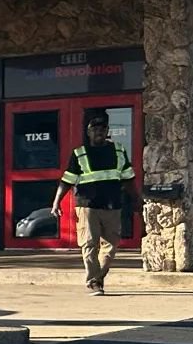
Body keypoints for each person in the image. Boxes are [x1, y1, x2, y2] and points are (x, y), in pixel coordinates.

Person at [55, 110, 136, 294]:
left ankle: (98, 277)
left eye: (102, 128)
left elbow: (128, 178)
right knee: (89, 243)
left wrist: (136, 199)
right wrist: (56, 201)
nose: (99, 131)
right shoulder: (79, 153)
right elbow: (67, 180)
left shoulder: (119, 150)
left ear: (107, 131)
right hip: (87, 205)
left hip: (113, 205)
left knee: (111, 245)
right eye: (94, 128)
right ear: (88, 132)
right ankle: (93, 281)